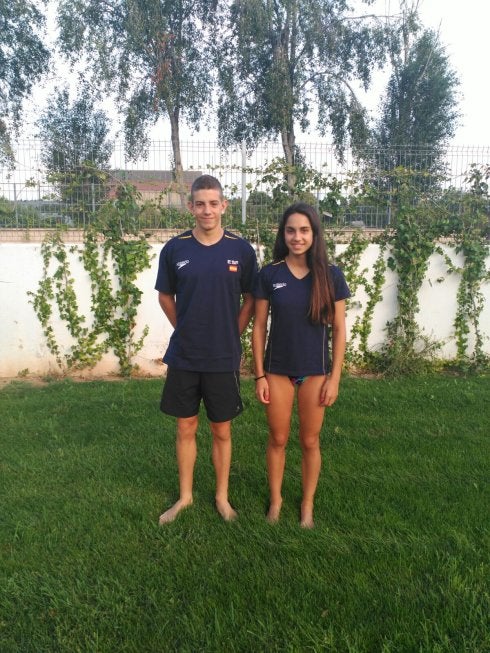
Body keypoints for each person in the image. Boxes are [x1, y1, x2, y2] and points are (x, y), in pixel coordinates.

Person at [155, 174, 258, 524]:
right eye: (200, 204)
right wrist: (184, 328)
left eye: (213, 203)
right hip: (185, 354)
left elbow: (251, 298)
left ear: (224, 206)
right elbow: (165, 296)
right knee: (185, 427)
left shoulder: (241, 250)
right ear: (190, 207)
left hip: (222, 356)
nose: (207, 210)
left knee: (221, 429)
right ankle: (185, 497)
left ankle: (221, 497)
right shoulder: (175, 249)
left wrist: (233, 332)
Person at [252, 202, 350, 528]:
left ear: (314, 234)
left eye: (304, 230)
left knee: (310, 441)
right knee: (278, 439)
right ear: (283, 234)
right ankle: (276, 501)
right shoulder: (270, 274)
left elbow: (339, 330)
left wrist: (334, 378)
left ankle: (307, 504)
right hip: (277, 371)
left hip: (316, 372)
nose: (297, 237)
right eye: (291, 230)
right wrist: (259, 375)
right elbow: (258, 328)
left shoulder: (331, 275)